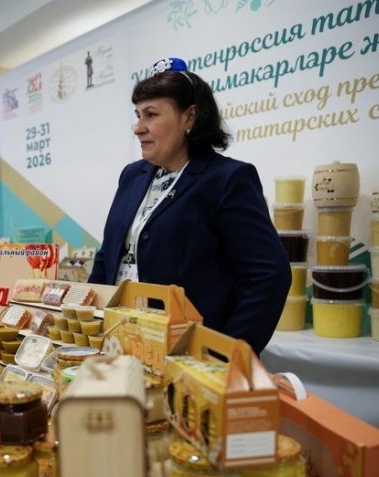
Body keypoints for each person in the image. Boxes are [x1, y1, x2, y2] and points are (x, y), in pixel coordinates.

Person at [88, 57, 290, 354]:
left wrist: (223, 354)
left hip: (186, 355)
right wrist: (87, 325)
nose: (138, 128)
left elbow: (269, 275)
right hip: (120, 343)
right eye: (138, 115)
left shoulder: (227, 179)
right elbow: (108, 257)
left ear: (189, 117)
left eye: (151, 115)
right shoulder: (132, 176)